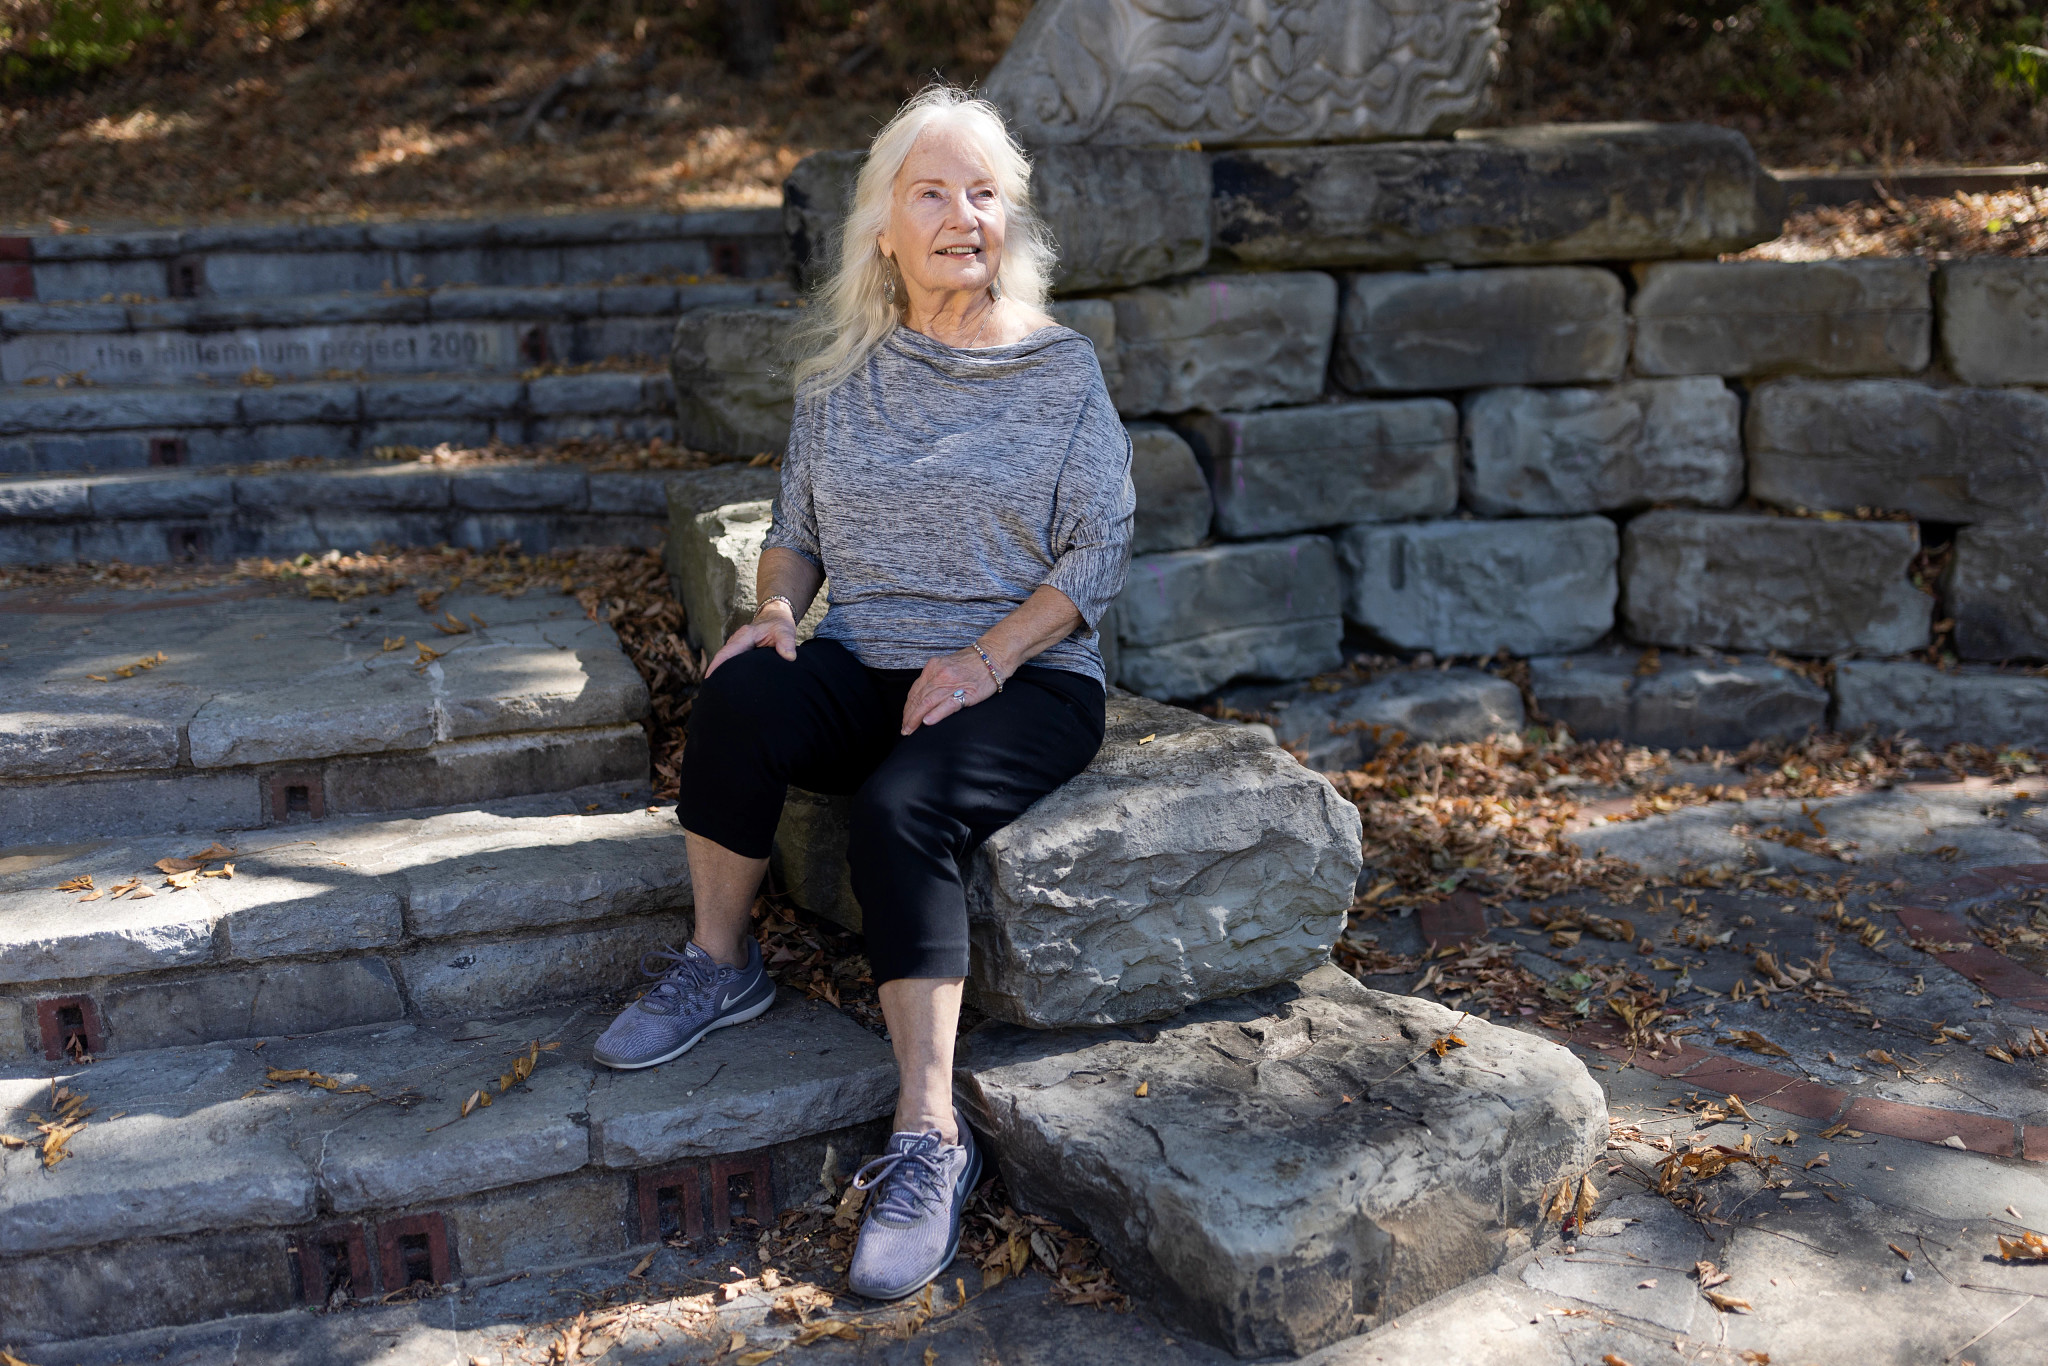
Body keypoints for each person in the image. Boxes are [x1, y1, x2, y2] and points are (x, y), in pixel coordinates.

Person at [592, 84, 1134, 1302]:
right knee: (738, 696)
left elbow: (1095, 557)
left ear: (1012, 223)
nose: (959, 216)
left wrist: (987, 658)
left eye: (982, 194)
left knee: (901, 807)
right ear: (883, 227)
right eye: (930, 193)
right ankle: (718, 962)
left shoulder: (1059, 374)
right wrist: (777, 610)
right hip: (872, 650)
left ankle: (927, 1134)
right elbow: (794, 533)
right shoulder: (847, 374)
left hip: (1029, 676)